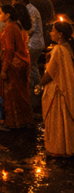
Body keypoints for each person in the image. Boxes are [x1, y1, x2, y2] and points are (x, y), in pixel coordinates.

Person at [41, 20, 74, 156]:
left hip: (58, 90)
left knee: (58, 120)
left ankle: (58, 148)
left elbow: (51, 73)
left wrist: (40, 83)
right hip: (65, 88)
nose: (51, 33)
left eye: (53, 30)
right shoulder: (68, 47)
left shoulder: (59, 49)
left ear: (60, 34)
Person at [0, 4, 34, 129]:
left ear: (7, 16)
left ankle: (14, 123)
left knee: (12, 94)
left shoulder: (9, 29)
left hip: (14, 64)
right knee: (21, 92)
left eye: (0, 13)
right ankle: (25, 120)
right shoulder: (16, 26)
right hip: (22, 62)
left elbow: (9, 50)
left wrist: (4, 68)